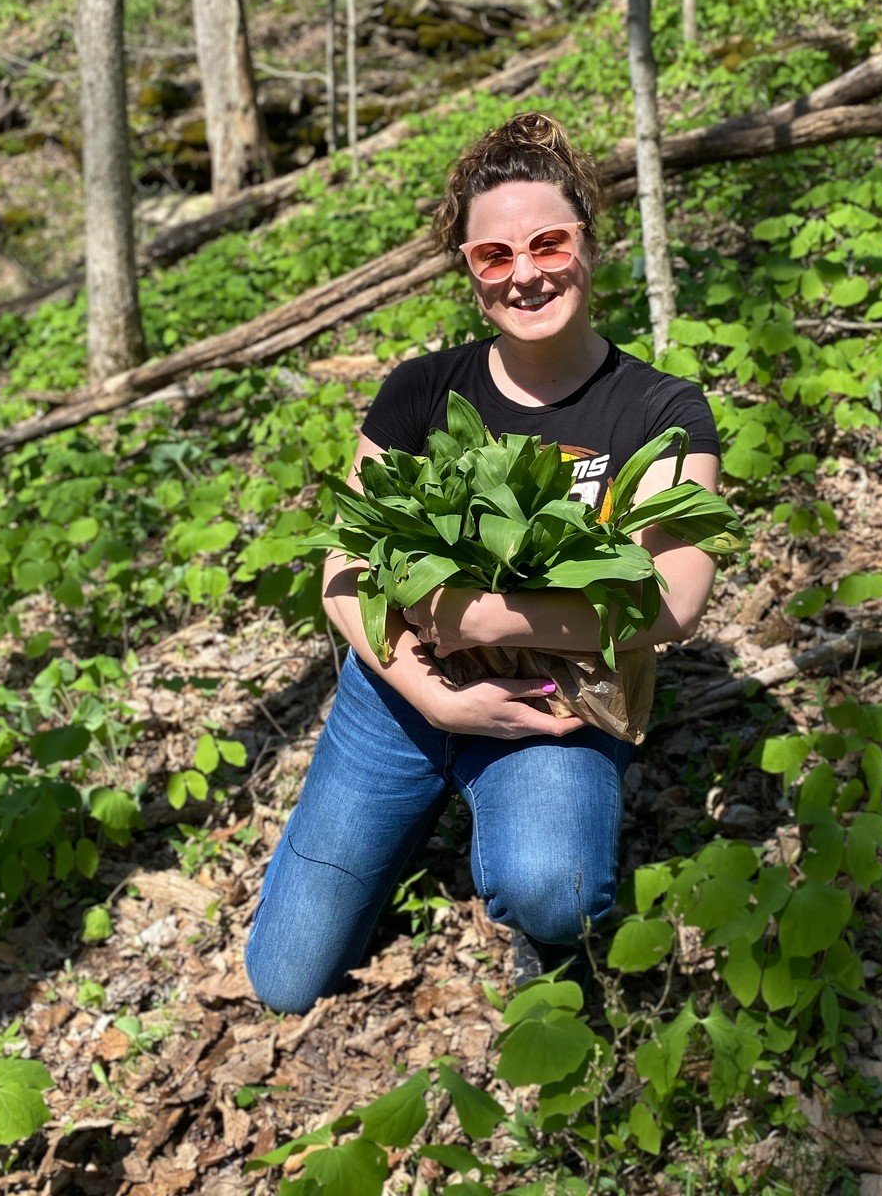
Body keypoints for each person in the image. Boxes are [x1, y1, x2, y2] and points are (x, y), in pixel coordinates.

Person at [244, 112, 724, 1014]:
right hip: (402, 688)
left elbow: (672, 601)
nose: (527, 274)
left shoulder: (659, 409)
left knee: (552, 886)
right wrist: (431, 691)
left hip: (557, 701)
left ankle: (546, 939)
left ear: (589, 241)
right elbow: (344, 569)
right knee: (284, 980)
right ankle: (408, 815)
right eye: (494, 256)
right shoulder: (424, 392)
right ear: (469, 274)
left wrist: (491, 620)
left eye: (549, 243)